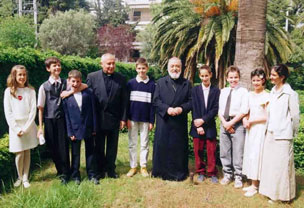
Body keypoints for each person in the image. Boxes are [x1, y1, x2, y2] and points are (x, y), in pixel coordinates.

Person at [259, 64, 300, 203]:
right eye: (270, 74)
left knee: (282, 167)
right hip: (270, 133)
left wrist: (291, 133)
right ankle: (271, 193)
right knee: (271, 165)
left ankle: (284, 196)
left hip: (283, 136)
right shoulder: (272, 92)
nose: (270, 77)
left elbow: (295, 117)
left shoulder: (291, 94)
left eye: (274, 75)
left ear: (282, 77)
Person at [87, 53, 128, 179]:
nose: (111, 66)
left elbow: (124, 101)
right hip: (98, 119)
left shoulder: (121, 78)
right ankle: (99, 171)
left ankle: (111, 170)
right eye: (108, 63)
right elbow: (88, 99)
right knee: (98, 146)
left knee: (112, 147)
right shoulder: (92, 77)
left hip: (114, 118)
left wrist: (123, 118)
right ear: (101, 64)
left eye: (113, 63)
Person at [152, 57, 192, 181]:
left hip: (179, 122)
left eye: (177, 66)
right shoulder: (160, 82)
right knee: (163, 145)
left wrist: (181, 108)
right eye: (172, 66)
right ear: (168, 68)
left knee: (178, 147)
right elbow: (156, 100)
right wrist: (167, 109)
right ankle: (160, 171)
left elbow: (191, 102)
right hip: (164, 120)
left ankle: (179, 172)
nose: (175, 68)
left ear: (181, 68)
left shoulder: (187, 84)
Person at [4, 65, 39, 188]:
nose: (22, 77)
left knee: (27, 151)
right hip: (15, 127)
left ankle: (25, 177)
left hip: (28, 126)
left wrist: (26, 128)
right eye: (19, 75)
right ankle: (19, 176)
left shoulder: (31, 90)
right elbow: (8, 113)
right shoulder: (9, 92)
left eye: (24, 74)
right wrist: (17, 129)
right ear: (14, 76)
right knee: (19, 153)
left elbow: (33, 111)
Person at [37, 57, 70, 184]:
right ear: (48, 69)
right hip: (49, 119)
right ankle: (59, 170)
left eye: (58, 65)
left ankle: (66, 173)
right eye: (54, 66)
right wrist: (40, 127)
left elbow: (80, 86)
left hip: (62, 119)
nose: (57, 68)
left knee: (63, 146)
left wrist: (69, 91)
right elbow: (40, 108)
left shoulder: (66, 83)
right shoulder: (43, 87)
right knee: (53, 147)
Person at [62, 70, 99, 185]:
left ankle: (92, 174)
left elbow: (93, 111)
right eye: (73, 81)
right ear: (69, 81)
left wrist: (94, 128)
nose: (75, 84)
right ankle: (75, 176)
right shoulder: (66, 97)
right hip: (74, 129)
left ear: (81, 81)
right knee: (75, 153)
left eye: (78, 81)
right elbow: (67, 116)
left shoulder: (88, 93)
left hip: (88, 127)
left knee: (90, 152)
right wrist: (70, 132)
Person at [218, 66, 248, 188]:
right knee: (225, 151)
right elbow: (219, 110)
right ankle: (227, 174)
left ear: (239, 77)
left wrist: (232, 123)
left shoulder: (243, 92)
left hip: (238, 124)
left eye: (235, 77)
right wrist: (225, 123)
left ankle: (238, 177)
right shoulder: (223, 91)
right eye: (231, 77)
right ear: (226, 78)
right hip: (224, 123)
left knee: (238, 152)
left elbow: (244, 110)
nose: (233, 80)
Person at [190, 65, 220, 184]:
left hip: (210, 125)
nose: (204, 78)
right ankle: (201, 171)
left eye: (206, 75)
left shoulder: (216, 90)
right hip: (197, 125)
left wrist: (204, 120)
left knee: (211, 150)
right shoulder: (195, 90)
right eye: (202, 76)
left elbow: (215, 108)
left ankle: (212, 173)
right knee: (198, 150)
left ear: (210, 75)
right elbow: (194, 108)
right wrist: (198, 125)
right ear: (199, 76)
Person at [126, 58, 155, 177]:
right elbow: (126, 103)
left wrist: (152, 121)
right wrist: (127, 118)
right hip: (132, 118)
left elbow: (153, 105)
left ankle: (143, 166)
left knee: (144, 143)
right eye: (139, 68)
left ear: (147, 68)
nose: (141, 70)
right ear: (136, 69)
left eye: (143, 68)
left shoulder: (153, 85)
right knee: (132, 143)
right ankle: (133, 166)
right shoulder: (130, 83)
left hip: (145, 119)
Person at [242, 69, 269, 197]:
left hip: (260, 129)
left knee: (257, 155)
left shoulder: (267, 96)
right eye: (254, 80)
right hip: (250, 129)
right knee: (250, 154)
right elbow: (246, 111)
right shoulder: (249, 95)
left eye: (258, 80)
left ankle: (255, 185)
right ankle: (252, 182)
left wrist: (251, 120)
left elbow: (266, 116)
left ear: (263, 80)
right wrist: (245, 120)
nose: (256, 82)